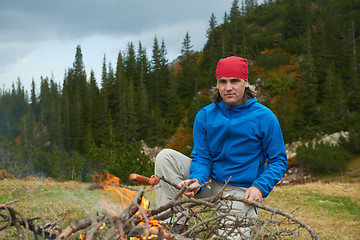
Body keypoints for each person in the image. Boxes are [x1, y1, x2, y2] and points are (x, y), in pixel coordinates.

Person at [155, 56, 287, 238]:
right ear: (217, 85)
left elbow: (278, 161)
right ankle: (173, 226)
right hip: (210, 182)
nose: (228, 87)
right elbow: (202, 156)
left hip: (241, 191)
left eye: (235, 81)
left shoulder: (265, 117)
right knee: (166, 157)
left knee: (229, 236)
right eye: (222, 82)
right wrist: (197, 180)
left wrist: (259, 187)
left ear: (246, 82)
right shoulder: (205, 115)